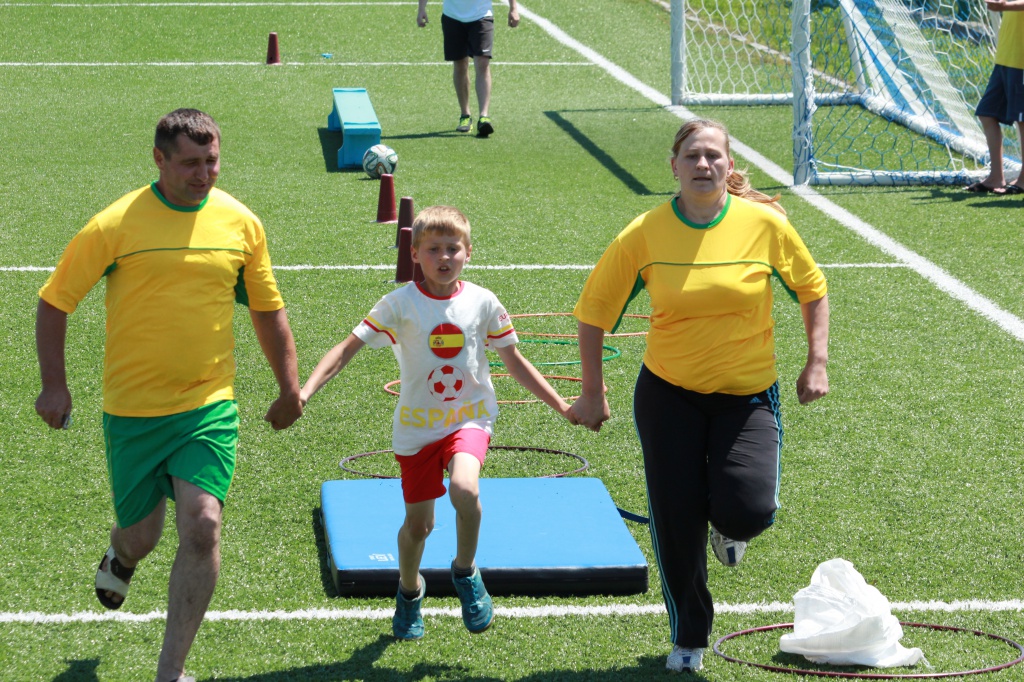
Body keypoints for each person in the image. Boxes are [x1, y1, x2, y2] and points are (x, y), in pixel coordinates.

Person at [34, 108, 303, 682]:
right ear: (159, 159)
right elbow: (55, 301)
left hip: (208, 405)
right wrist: (54, 384)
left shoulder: (241, 223)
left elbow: (267, 309)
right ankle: (121, 553)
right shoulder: (115, 224)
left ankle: (170, 671)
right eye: (189, 163)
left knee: (203, 526)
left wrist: (289, 387)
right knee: (142, 536)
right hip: (132, 411)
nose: (203, 174)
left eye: (212, 161)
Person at [569, 119, 830, 673]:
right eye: (692, 156)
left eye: (714, 155)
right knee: (674, 520)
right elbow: (594, 312)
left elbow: (811, 288)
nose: (703, 164)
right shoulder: (645, 232)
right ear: (674, 166)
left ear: (729, 165)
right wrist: (592, 391)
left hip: (747, 396)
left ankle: (728, 526)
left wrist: (817, 360)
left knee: (749, 510)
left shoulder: (765, 224)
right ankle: (689, 637)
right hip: (669, 395)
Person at [300, 205, 574, 640]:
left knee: (466, 488)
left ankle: (465, 571)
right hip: (416, 429)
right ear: (414, 254)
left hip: (470, 419)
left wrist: (562, 406)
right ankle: (410, 592)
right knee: (419, 526)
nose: (444, 257)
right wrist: (304, 392)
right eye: (433, 249)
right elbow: (345, 350)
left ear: (468, 252)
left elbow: (515, 363)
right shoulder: (399, 304)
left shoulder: (483, 302)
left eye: (453, 248)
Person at [417, 0, 519, 138]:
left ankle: (484, 117)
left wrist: (513, 8)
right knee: (460, 65)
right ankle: (465, 115)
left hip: (482, 15)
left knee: (483, 63)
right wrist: (421, 8)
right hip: (452, 16)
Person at [965, 0, 1024, 194]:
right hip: (1006, 56)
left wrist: (1004, 6)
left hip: (1021, 59)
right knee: (987, 113)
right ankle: (996, 177)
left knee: (1022, 120)